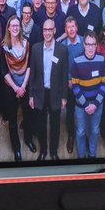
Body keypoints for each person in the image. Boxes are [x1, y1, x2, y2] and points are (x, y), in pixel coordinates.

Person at [27, 18, 69, 161]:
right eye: (45, 30)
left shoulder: (62, 50)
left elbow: (64, 75)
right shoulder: (36, 49)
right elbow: (32, 74)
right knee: (41, 124)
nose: (47, 33)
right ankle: (43, 150)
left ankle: (53, 151)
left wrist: (64, 97)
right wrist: (31, 95)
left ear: (55, 30)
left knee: (55, 124)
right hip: (40, 93)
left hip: (56, 93)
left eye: (50, 30)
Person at [70, 33, 105, 160]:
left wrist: (95, 104)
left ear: (96, 45)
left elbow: (104, 83)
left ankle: (92, 155)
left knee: (95, 131)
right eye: (88, 44)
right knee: (81, 131)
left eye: (93, 44)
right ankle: (81, 156)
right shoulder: (76, 61)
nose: (90, 47)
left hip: (97, 104)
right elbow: (75, 86)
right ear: (84, 45)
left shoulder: (102, 60)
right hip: (81, 105)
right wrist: (86, 105)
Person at [0, 16, 33, 161]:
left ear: (20, 27)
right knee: (12, 120)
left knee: (28, 116)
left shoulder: (27, 43)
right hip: (10, 88)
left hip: (25, 85)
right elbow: (4, 71)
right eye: (12, 25)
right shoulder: (4, 47)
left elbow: (30, 65)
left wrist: (23, 86)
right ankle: (16, 149)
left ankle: (28, 140)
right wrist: (16, 88)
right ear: (8, 28)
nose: (15, 28)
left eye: (17, 25)